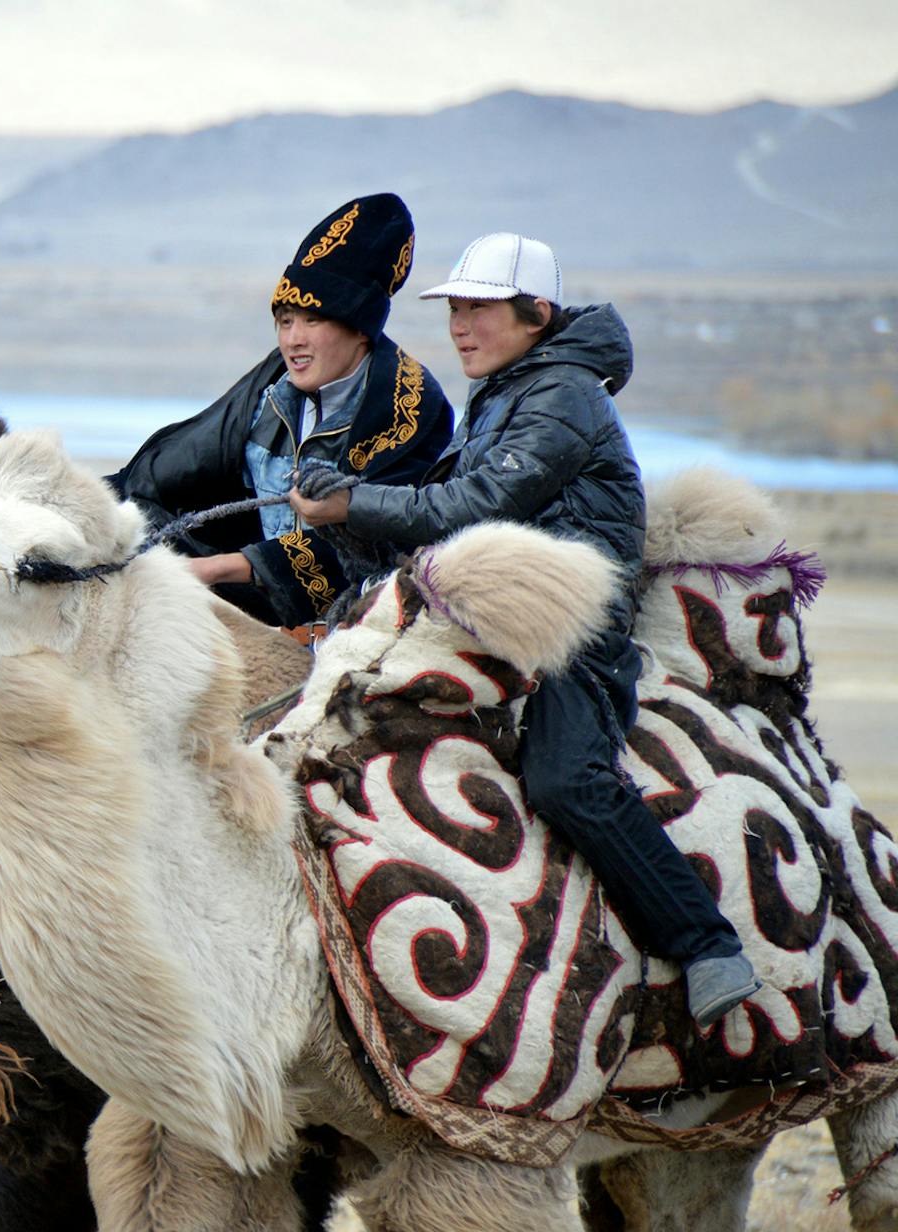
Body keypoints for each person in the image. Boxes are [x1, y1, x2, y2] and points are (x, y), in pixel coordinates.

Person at [290, 232, 761, 1029]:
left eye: (478, 308)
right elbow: (440, 516)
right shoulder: (508, 392)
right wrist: (346, 508)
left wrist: (352, 504)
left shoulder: (564, 394)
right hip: (499, 623)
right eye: (455, 310)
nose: (459, 326)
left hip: (572, 635)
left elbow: (473, 510)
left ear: (535, 313)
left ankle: (707, 944)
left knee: (566, 780)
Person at [107, 193, 454, 629]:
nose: (293, 340)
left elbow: (378, 546)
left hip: (352, 617)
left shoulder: (410, 408)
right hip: (252, 596)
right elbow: (172, 469)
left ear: (360, 330)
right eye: (286, 321)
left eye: (313, 320)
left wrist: (216, 569)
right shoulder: (272, 384)